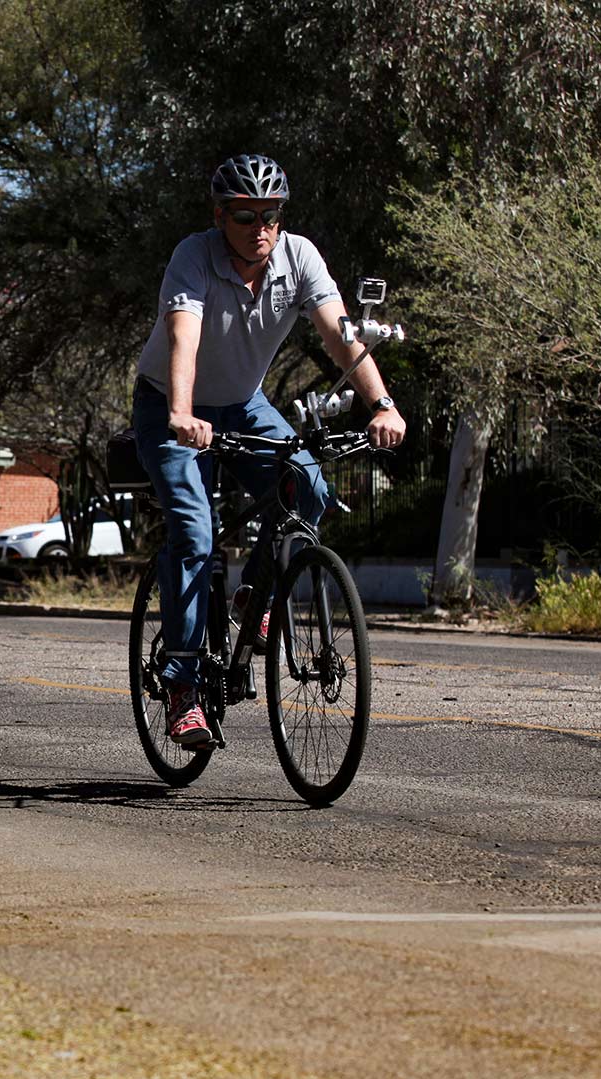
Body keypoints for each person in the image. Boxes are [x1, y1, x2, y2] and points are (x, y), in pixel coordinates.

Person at [133, 154, 407, 747]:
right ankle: (182, 687)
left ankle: (256, 595)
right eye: (244, 215)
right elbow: (184, 336)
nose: (260, 228)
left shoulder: (298, 256)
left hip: (243, 401)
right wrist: (182, 413)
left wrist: (382, 403)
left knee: (308, 486)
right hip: (169, 405)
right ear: (220, 215)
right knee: (195, 535)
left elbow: (341, 335)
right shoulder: (194, 256)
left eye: (270, 215)